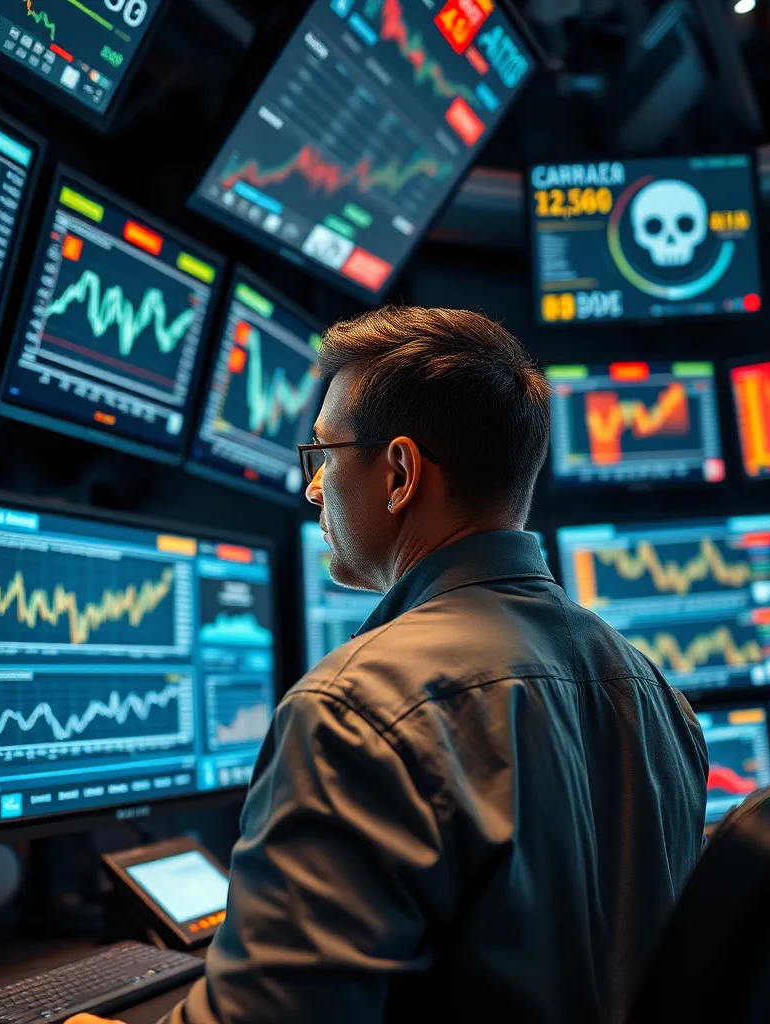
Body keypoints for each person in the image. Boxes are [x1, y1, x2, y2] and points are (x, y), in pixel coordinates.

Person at [71, 306, 708, 1024]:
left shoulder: (357, 710)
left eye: (323, 457)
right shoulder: (652, 689)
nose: (312, 490)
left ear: (400, 472)